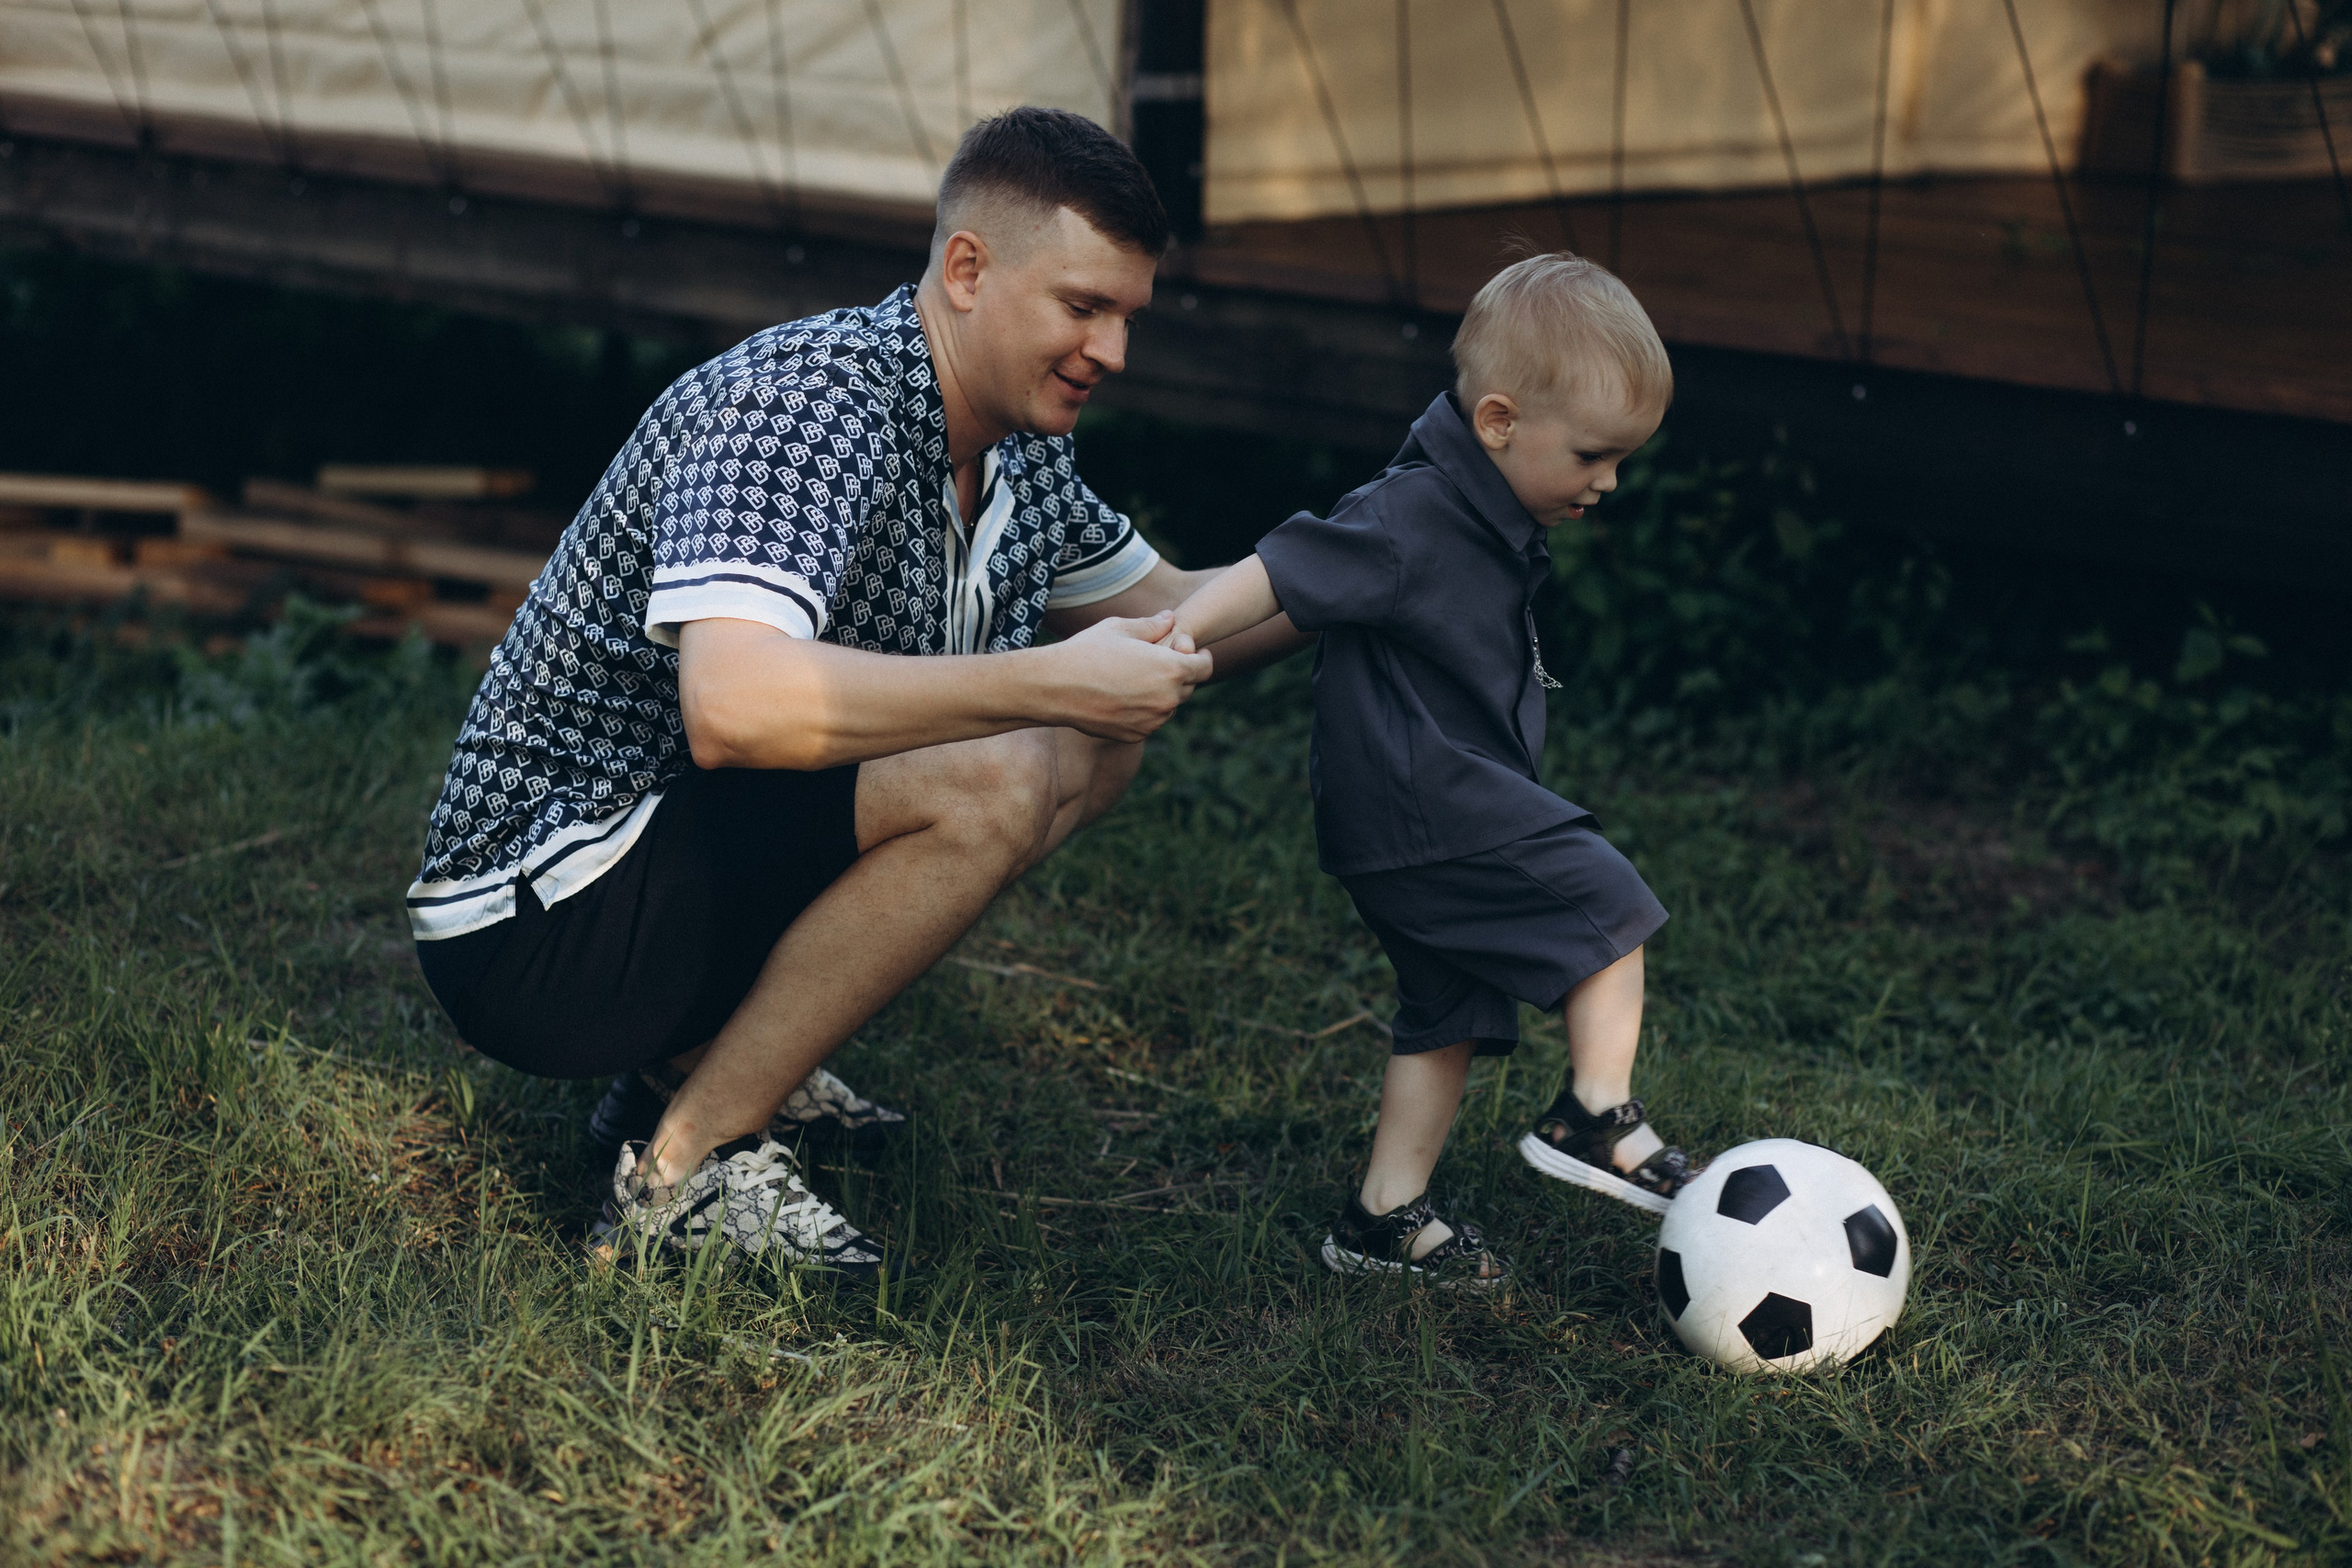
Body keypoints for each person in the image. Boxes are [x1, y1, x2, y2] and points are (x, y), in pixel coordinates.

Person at [406, 107, 1301, 1275]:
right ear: (968, 270)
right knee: (1014, 757)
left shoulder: (1019, 452)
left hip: (663, 866)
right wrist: (1041, 678)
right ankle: (682, 1171)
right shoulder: (807, 405)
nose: (1114, 354)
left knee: (1091, 738)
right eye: (1083, 308)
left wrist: (1374, 559)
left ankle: (694, 1066)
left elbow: (1173, 623)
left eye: (1128, 317)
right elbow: (735, 710)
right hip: (531, 919)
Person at [1162, 253, 1703, 1290]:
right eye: (1593, 455)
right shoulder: (1412, 511)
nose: (1610, 481)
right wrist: (1175, 633)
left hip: (1418, 819)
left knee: (1445, 1011)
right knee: (1609, 905)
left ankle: (1380, 1218)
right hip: (1430, 806)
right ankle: (1596, 1114)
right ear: (1498, 422)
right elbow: (1280, 565)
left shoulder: (1488, 506)